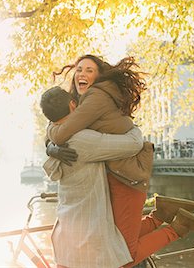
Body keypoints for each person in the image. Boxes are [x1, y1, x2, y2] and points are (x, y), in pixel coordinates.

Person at [46, 55, 194, 267]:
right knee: (115, 242)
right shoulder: (82, 101)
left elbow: (62, 133)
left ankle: (179, 226)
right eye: (79, 69)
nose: (82, 74)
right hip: (117, 176)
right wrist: (50, 146)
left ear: (99, 76)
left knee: (125, 258)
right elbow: (58, 124)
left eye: (89, 70)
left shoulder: (96, 97)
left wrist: (53, 144)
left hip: (126, 178)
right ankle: (162, 213)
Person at [40, 86, 143, 268]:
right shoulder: (83, 139)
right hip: (90, 233)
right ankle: (172, 227)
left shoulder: (56, 138)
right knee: (126, 255)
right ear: (73, 105)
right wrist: (132, 126)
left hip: (66, 229)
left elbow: (51, 129)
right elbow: (134, 144)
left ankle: (163, 220)